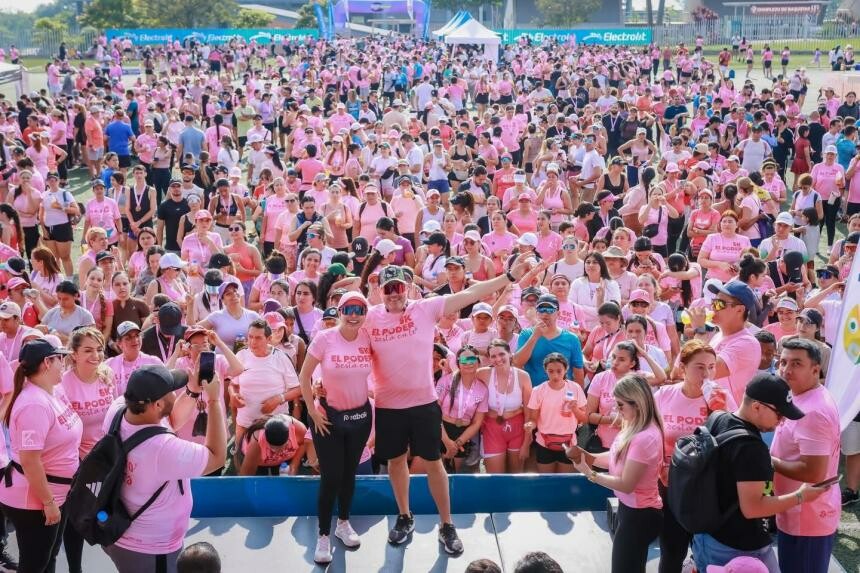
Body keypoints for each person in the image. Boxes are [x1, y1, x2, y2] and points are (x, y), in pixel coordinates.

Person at [364, 262, 527, 554]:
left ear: (408, 288)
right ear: (379, 290)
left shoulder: (425, 308)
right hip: (389, 406)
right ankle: (404, 516)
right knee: (396, 462)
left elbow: (472, 293)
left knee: (433, 463)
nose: (393, 294)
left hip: (424, 404)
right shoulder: (369, 317)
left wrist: (509, 276)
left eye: (398, 287)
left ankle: (446, 524)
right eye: (387, 288)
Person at [690, 374, 832, 573]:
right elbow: (754, 508)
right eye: (779, 414)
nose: (781, 421)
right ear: (757, 406)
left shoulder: (718, 417)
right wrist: (801, 496)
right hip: (737, 549)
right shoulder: (751, 448)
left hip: (707, 536)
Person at [101, 364, 226, 572]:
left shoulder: (119, 409)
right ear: (157, 404)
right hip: (150, 549)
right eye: (171, 391)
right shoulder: (162, 449)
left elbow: (172, 421)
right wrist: (214, 401)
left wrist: (192, 392)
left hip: (120, 530)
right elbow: (217, 457)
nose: (175, 392)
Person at [298, 292, 374, 564]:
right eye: (348, 309)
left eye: (359, 309)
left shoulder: (369, 337)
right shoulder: (325, 338)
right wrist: (311, 412)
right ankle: (323, 535)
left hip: (360, 418)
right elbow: (304, 376)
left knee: (349, 474)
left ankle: (343, 523)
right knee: (331, 478)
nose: (354, 315)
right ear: (340, 311)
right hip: (327, 419)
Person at [654, 340, 736, 573]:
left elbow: (732, 443)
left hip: (707, 486)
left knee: (705, 550)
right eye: (700, 367)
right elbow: (651, 434)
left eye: (711, 367)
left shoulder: (722, 397)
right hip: (670, 483)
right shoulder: (665, 394)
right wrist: (661, 464)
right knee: (671, 548)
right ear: (683, 368)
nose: (707, 373)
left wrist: (718, 412)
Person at [0, 339, 80, 573]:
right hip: (35, 500)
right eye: (60, 359)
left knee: (48, 557)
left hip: (54, 494)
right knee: (34, 565)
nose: (63, 364)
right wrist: (48, 502)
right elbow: (30, 460)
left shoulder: (51, 392)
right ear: (47, 362)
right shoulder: (33, 404)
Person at [571, 374, 664, 573]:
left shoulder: (643, 437)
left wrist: (590, 474)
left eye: (620, 405)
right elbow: (615, 456)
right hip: (632, 511)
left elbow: (626, 484)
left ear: (637, 404)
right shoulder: (633, 427)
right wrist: (589, 457)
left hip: (640, 515)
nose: (616, 410)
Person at [770, 339, 841, 573]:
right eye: (783, 362)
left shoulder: (813, 412)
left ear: (815, 369)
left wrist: (768, 461)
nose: (786, 369)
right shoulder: (801, 396)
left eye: (797, 363)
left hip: (807, 518)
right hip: (796, 512)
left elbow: (814, 472)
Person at [691, 281, 762, 405]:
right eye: (714, 302)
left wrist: (700, 331)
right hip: (712, 414)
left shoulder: (747, 344)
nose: (713, 307)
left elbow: (703, 372)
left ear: (739, 310)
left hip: (730, 419)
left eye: (720, 304)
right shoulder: (717, 336)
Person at [523, 352, 587, 474]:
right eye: (551, 371)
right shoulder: (538, 390)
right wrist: (530, 425)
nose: (555, 375)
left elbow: (584, 418)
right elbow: (534, 419)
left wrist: (575, 409)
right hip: (544, 443)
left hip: (569, 443)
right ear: (545, 370)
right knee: (546, 482)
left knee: (564, 483)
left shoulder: (575, 388)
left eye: (559, 371)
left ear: (566, 369)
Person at [513, 294, 585, 387]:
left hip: (562, 394)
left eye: (550, 310)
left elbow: (578, 370)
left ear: (558, 314)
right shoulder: (526, 334)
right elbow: (517, 362)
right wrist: (535, 336)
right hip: (534, 393)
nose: (545, 314)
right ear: (536, 313)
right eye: (541, 310)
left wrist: (580, 397)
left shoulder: (571, 338)